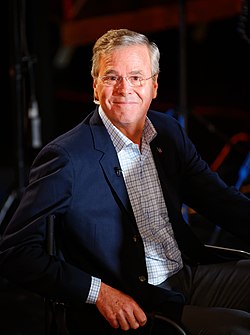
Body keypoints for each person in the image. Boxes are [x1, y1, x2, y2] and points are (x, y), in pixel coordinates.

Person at [0, 28, 250, 335]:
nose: (124, 88)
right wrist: (99, 292)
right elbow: (15, 253)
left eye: (136, 77)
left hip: (185, 273)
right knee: (240, 328)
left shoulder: (168, 131)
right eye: (111, 77)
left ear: (154, 86)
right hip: (138, 302)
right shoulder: (67, 157)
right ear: (95, 87)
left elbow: (220, 201)